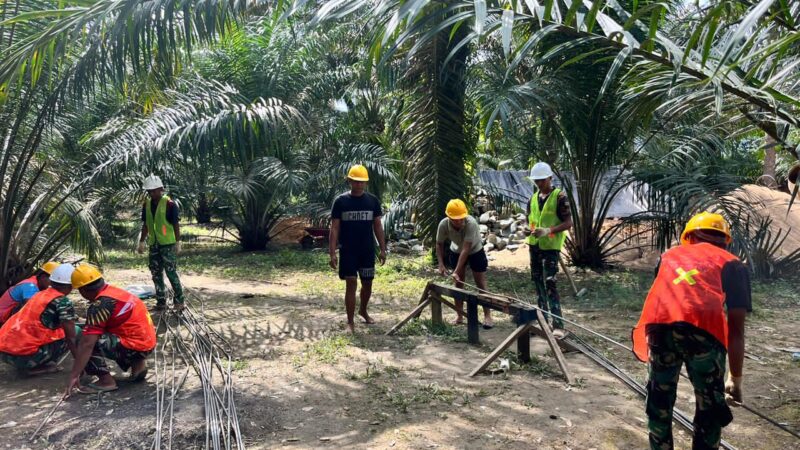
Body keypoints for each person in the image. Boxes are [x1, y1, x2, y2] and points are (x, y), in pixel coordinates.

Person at [632, 212, 750, 450]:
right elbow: (736, 329)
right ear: (725, 240)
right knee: (709, 410)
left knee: (659, 403)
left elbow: (664, 295)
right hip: (705, 334)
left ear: (689, 236)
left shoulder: (668, 257)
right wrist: (735, 380)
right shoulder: (733, 264)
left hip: (661, 329)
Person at [65, 264, 156, 395]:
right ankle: (138, 366)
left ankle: (106, 381)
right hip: (147, 343)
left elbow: (87, 343)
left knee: (83, 337)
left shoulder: (100, 304)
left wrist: (74, 374)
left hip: (135, 346)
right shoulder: (115, 292)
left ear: (83, 290)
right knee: (107, 331)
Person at [329, 164, 387, 333]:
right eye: (356, 181)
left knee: (367, 284)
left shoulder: (372, 201)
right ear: (349, 181)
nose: (359, 185)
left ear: (366, 183)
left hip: (367, 250)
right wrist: (332, 252)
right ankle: (350, 321)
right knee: (351, 283)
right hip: (348, 250)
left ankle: (363, 310)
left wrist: (383, 249)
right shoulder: (340, 202)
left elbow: (378, 226)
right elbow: (334, 228)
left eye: (362, 182)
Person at [0, 264, 80, 375]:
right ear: (71, 286)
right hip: (22, 356)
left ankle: (29, 362)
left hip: (4, 350)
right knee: (77, 331)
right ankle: (33, 367)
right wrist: (79, 362)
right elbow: (70, 336)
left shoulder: (39, 294)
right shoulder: (62, 301)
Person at [526, 162, 572, 337]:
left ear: (550, 178)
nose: (539, 184)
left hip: (550, 248)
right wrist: (528, 230)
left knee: (550, 283)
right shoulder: (532, 200)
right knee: (538, 282)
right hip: (535, 246)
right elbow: (530, 220)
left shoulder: (559, 198)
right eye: (536, 181)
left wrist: (548, 230)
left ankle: (557, 324)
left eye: (542, 180)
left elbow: (568, 223)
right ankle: (542, 321)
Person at [436, 199, 494, 328]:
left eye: (461, 218)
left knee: (480, 283)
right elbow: (439, 244)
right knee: (458, 283)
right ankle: (460, 315)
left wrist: (455, 271)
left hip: (475, 250)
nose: (459, 221)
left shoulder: (471, 223)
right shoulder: (443, 225)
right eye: (455, 219)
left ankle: (488, 316)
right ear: (449, 217)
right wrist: (441, 264)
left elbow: (466, 249)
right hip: (455, 250)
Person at [137, 174, 184, 311]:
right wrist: (141, 241)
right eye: (149, 191)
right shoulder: (146, 204)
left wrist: (177, 242)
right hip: (154, 244)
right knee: (156, 273)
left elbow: (175, 224)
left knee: (171, 272)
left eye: (154, 190)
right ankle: (161, 301)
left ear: (161, 189)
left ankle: (179, 300)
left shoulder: (170, 204)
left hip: (168, 244)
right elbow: (146, 224)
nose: (152, 193)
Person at [0, 261, 60, 326]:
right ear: (43, 277)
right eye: (52, 281)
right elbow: (31, 308)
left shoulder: (34, 281)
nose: (53, 285)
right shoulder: (30, 286)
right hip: (2, 318)